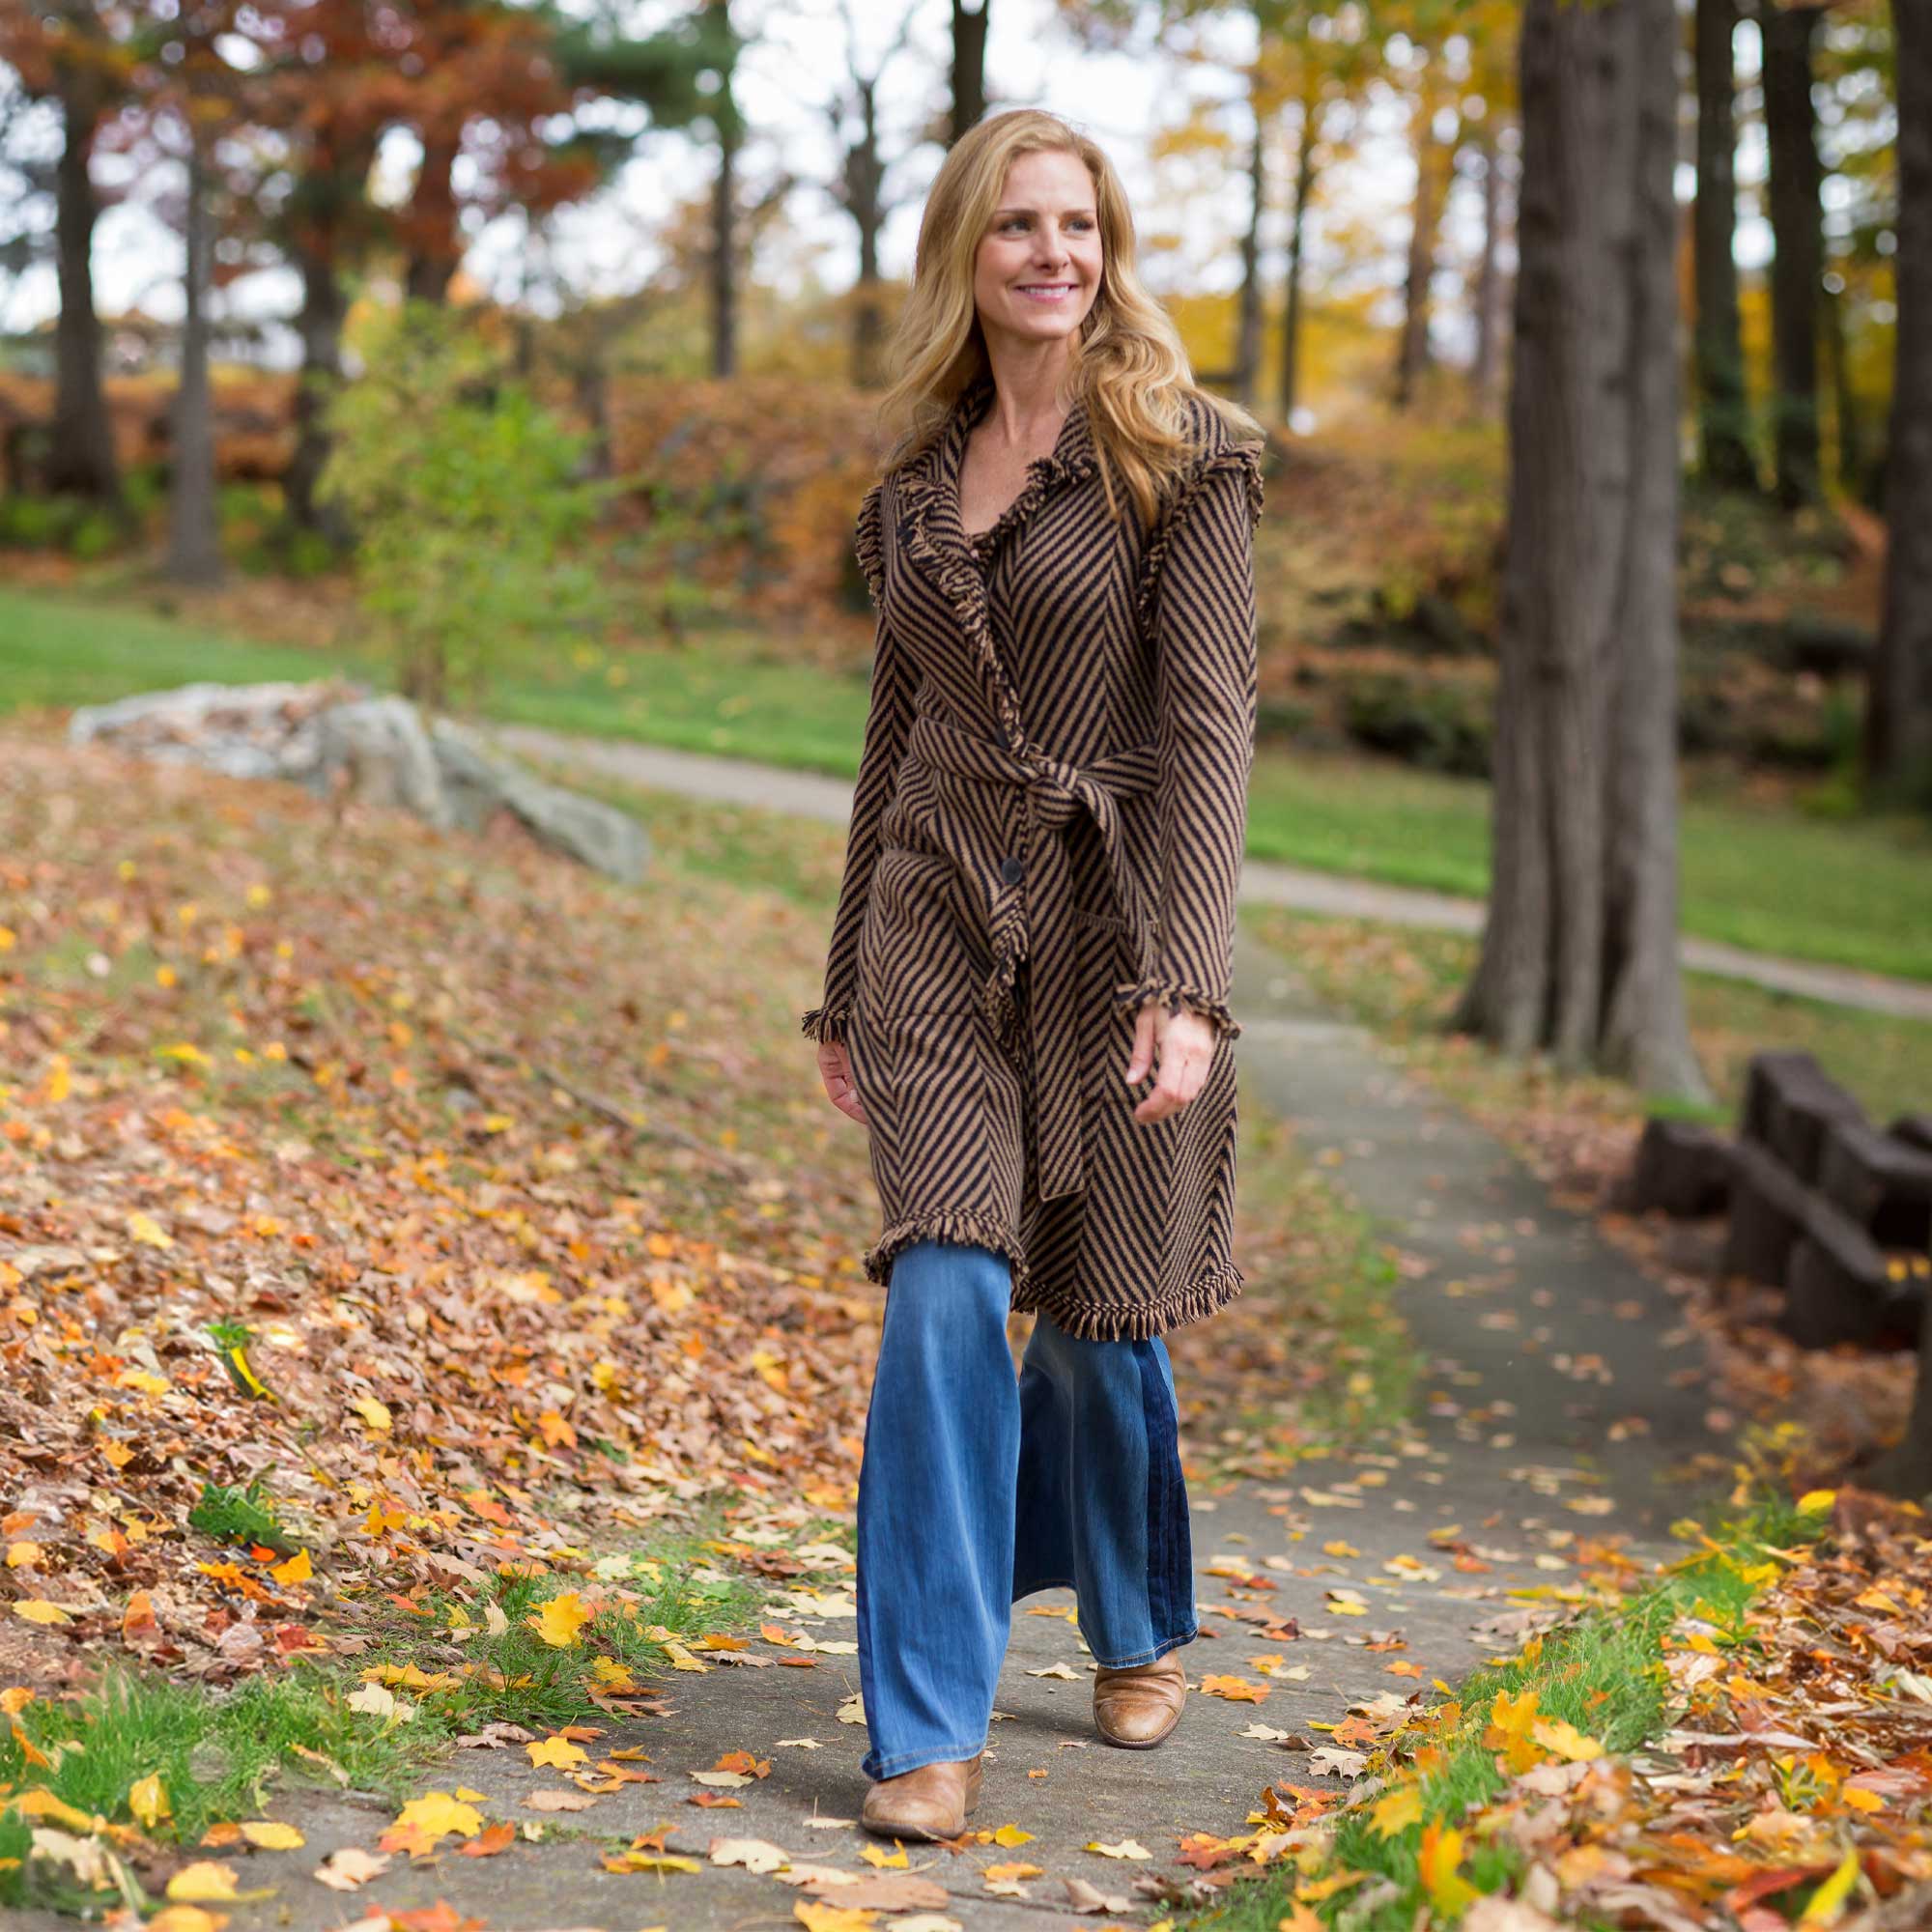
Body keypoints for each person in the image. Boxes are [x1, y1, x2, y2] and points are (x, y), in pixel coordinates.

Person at [801, 106, 1266, 1843]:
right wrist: (847, 975)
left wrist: (1190, 986)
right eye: (1017, 227)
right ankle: (926, 1721)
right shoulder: (914, 494)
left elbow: (1210, 732)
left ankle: (1138, 1617)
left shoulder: (1184, 462)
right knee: (945, 1287)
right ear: (966, 255)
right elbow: (893, 735)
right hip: (934, 914)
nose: (1051, 253)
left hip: (1115, 919)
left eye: (1077, 223)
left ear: (1109, 244)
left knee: (1092, 1324)